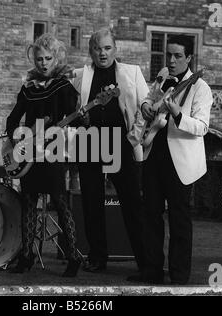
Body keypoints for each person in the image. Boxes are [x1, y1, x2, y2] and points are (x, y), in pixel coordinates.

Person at [135, 35, 213, 284]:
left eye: (178, 55)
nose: (171, 60)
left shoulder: (200, 87)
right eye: (169, 54)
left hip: (180, 162)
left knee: (179, 219)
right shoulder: (164, 79)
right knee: (150, 216)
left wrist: (178, 114)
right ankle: (151, 272)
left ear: (189, 58)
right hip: (154, 155)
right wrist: (146, 106)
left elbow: (202, 127)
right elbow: (148, 98)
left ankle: (179, 276)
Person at [71, 28, 149, 274]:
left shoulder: (132, 72)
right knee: (92, 203)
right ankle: (97, 258)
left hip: (120, 142)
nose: (102, 53)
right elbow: (71, 112)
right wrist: (79, 120)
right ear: (90, 50)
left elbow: (145, 107)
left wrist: (132, 139)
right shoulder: (79, 76)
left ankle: (145, 260)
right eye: (97, 48)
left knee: (132, 203)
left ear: (115, 49)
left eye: (107, 48)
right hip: (89, 141)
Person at [6, 33, 81, 277]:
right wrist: (15, 137)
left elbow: (75, 115)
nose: (44, 63)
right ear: (34, 59)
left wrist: (81, 117)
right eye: (39, 59)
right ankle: (26, 256)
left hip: (53, 149)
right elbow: (13, 118)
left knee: (60, 202)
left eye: (48, 58)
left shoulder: (64, 86)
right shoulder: (28, 87)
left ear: (56, 58)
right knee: (28, 201)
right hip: (29, 151)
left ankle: (73, 256)